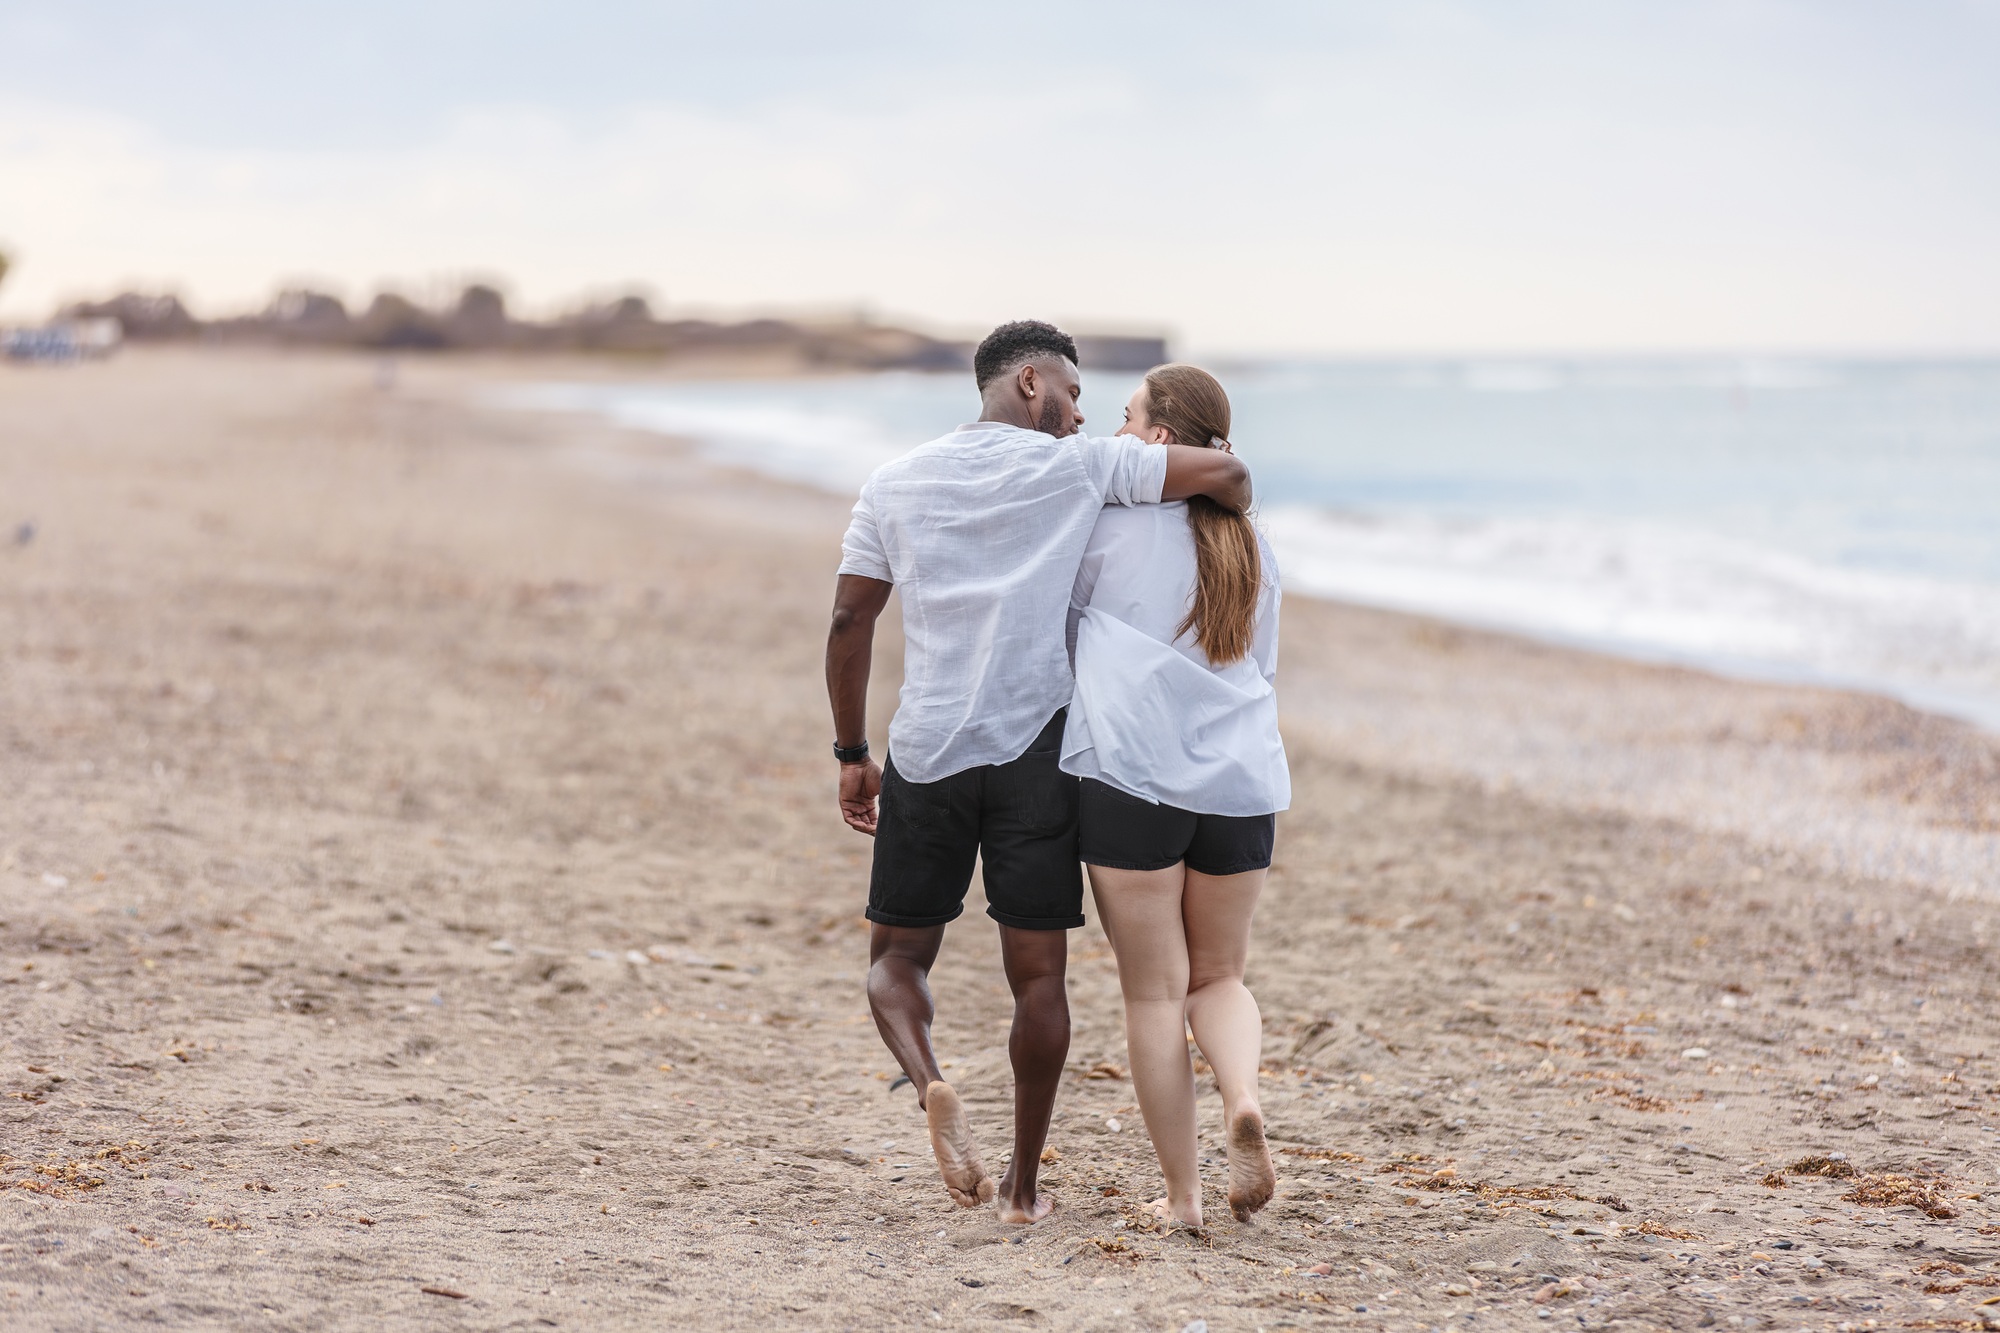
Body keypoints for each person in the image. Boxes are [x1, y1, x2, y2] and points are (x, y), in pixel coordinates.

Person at [824, 322, 1253, 1223]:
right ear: (1029, 383)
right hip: (1034, 753)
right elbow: (1216, 477)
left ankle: (931, 1078)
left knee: (897, 957)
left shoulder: (893, 482)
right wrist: (1227, 472)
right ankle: (1022, 1188)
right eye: (1071, 388)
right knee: (1040, 979)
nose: (1083, 409)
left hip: (930, 747)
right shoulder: (1080, 467)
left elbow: (848, 622)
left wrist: (852, 753)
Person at [1060, 364, 1289, 1228]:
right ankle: (1242, 1096)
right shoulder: (1255, 543)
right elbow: (1261, 670)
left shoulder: (1109, 529)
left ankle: (1186, 1199)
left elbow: (1063, 638)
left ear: (1159, 439)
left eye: (1127, 419)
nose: (1117, 435)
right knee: (1222, 975)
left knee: (1154, 993)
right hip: (1239, 780)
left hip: (1132, 776)